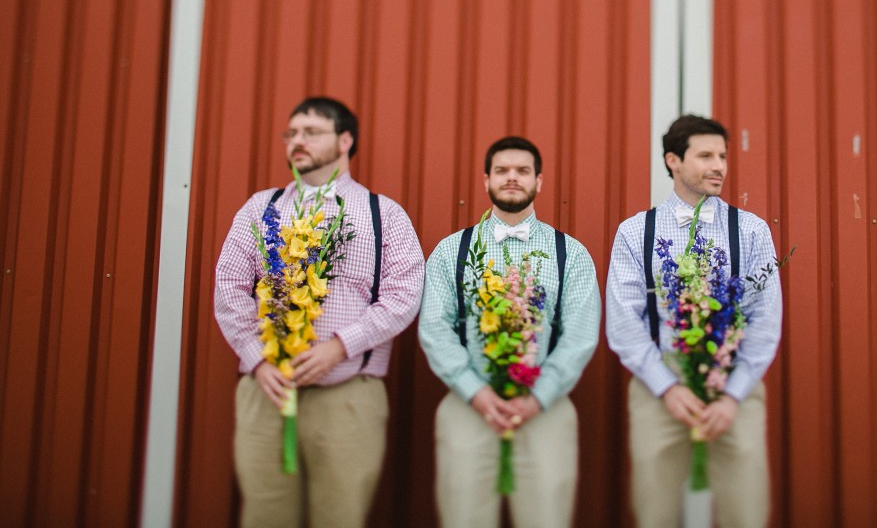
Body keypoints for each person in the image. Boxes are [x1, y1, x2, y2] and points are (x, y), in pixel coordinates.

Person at [214, 97, 425, 527]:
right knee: (263, 518)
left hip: (347, 398)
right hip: (266, 394)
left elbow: (404, 295)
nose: (297, 141)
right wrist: (257, 360)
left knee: (340, 518)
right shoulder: (261, 208)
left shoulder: (382, 215)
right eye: (291, 134)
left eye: (311, 132)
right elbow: (229, 288)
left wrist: (340, 347)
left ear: (345, 139)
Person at [606, 114, 783, 528]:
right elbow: (623, 319)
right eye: (705, 156)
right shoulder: (635, 232)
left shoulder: (752, 231)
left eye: (722, 155)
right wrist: (667, 388)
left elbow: (765, 318)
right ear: (673, 160)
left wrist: (733, 395)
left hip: (734, 383)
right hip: (658, 387)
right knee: (656, 513)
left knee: (747, 511)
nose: (719, 165)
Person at [418, 136, 601, 527]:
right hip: (469, 406)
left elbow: (581, 335)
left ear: (539, 181)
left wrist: (539, 396)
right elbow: (434, 328)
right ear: (486, 181)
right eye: (502, 171)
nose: (512, 178)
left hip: (544, 410)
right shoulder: (452, 250)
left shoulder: (571, 253)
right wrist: (477, 393)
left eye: (523, 171)